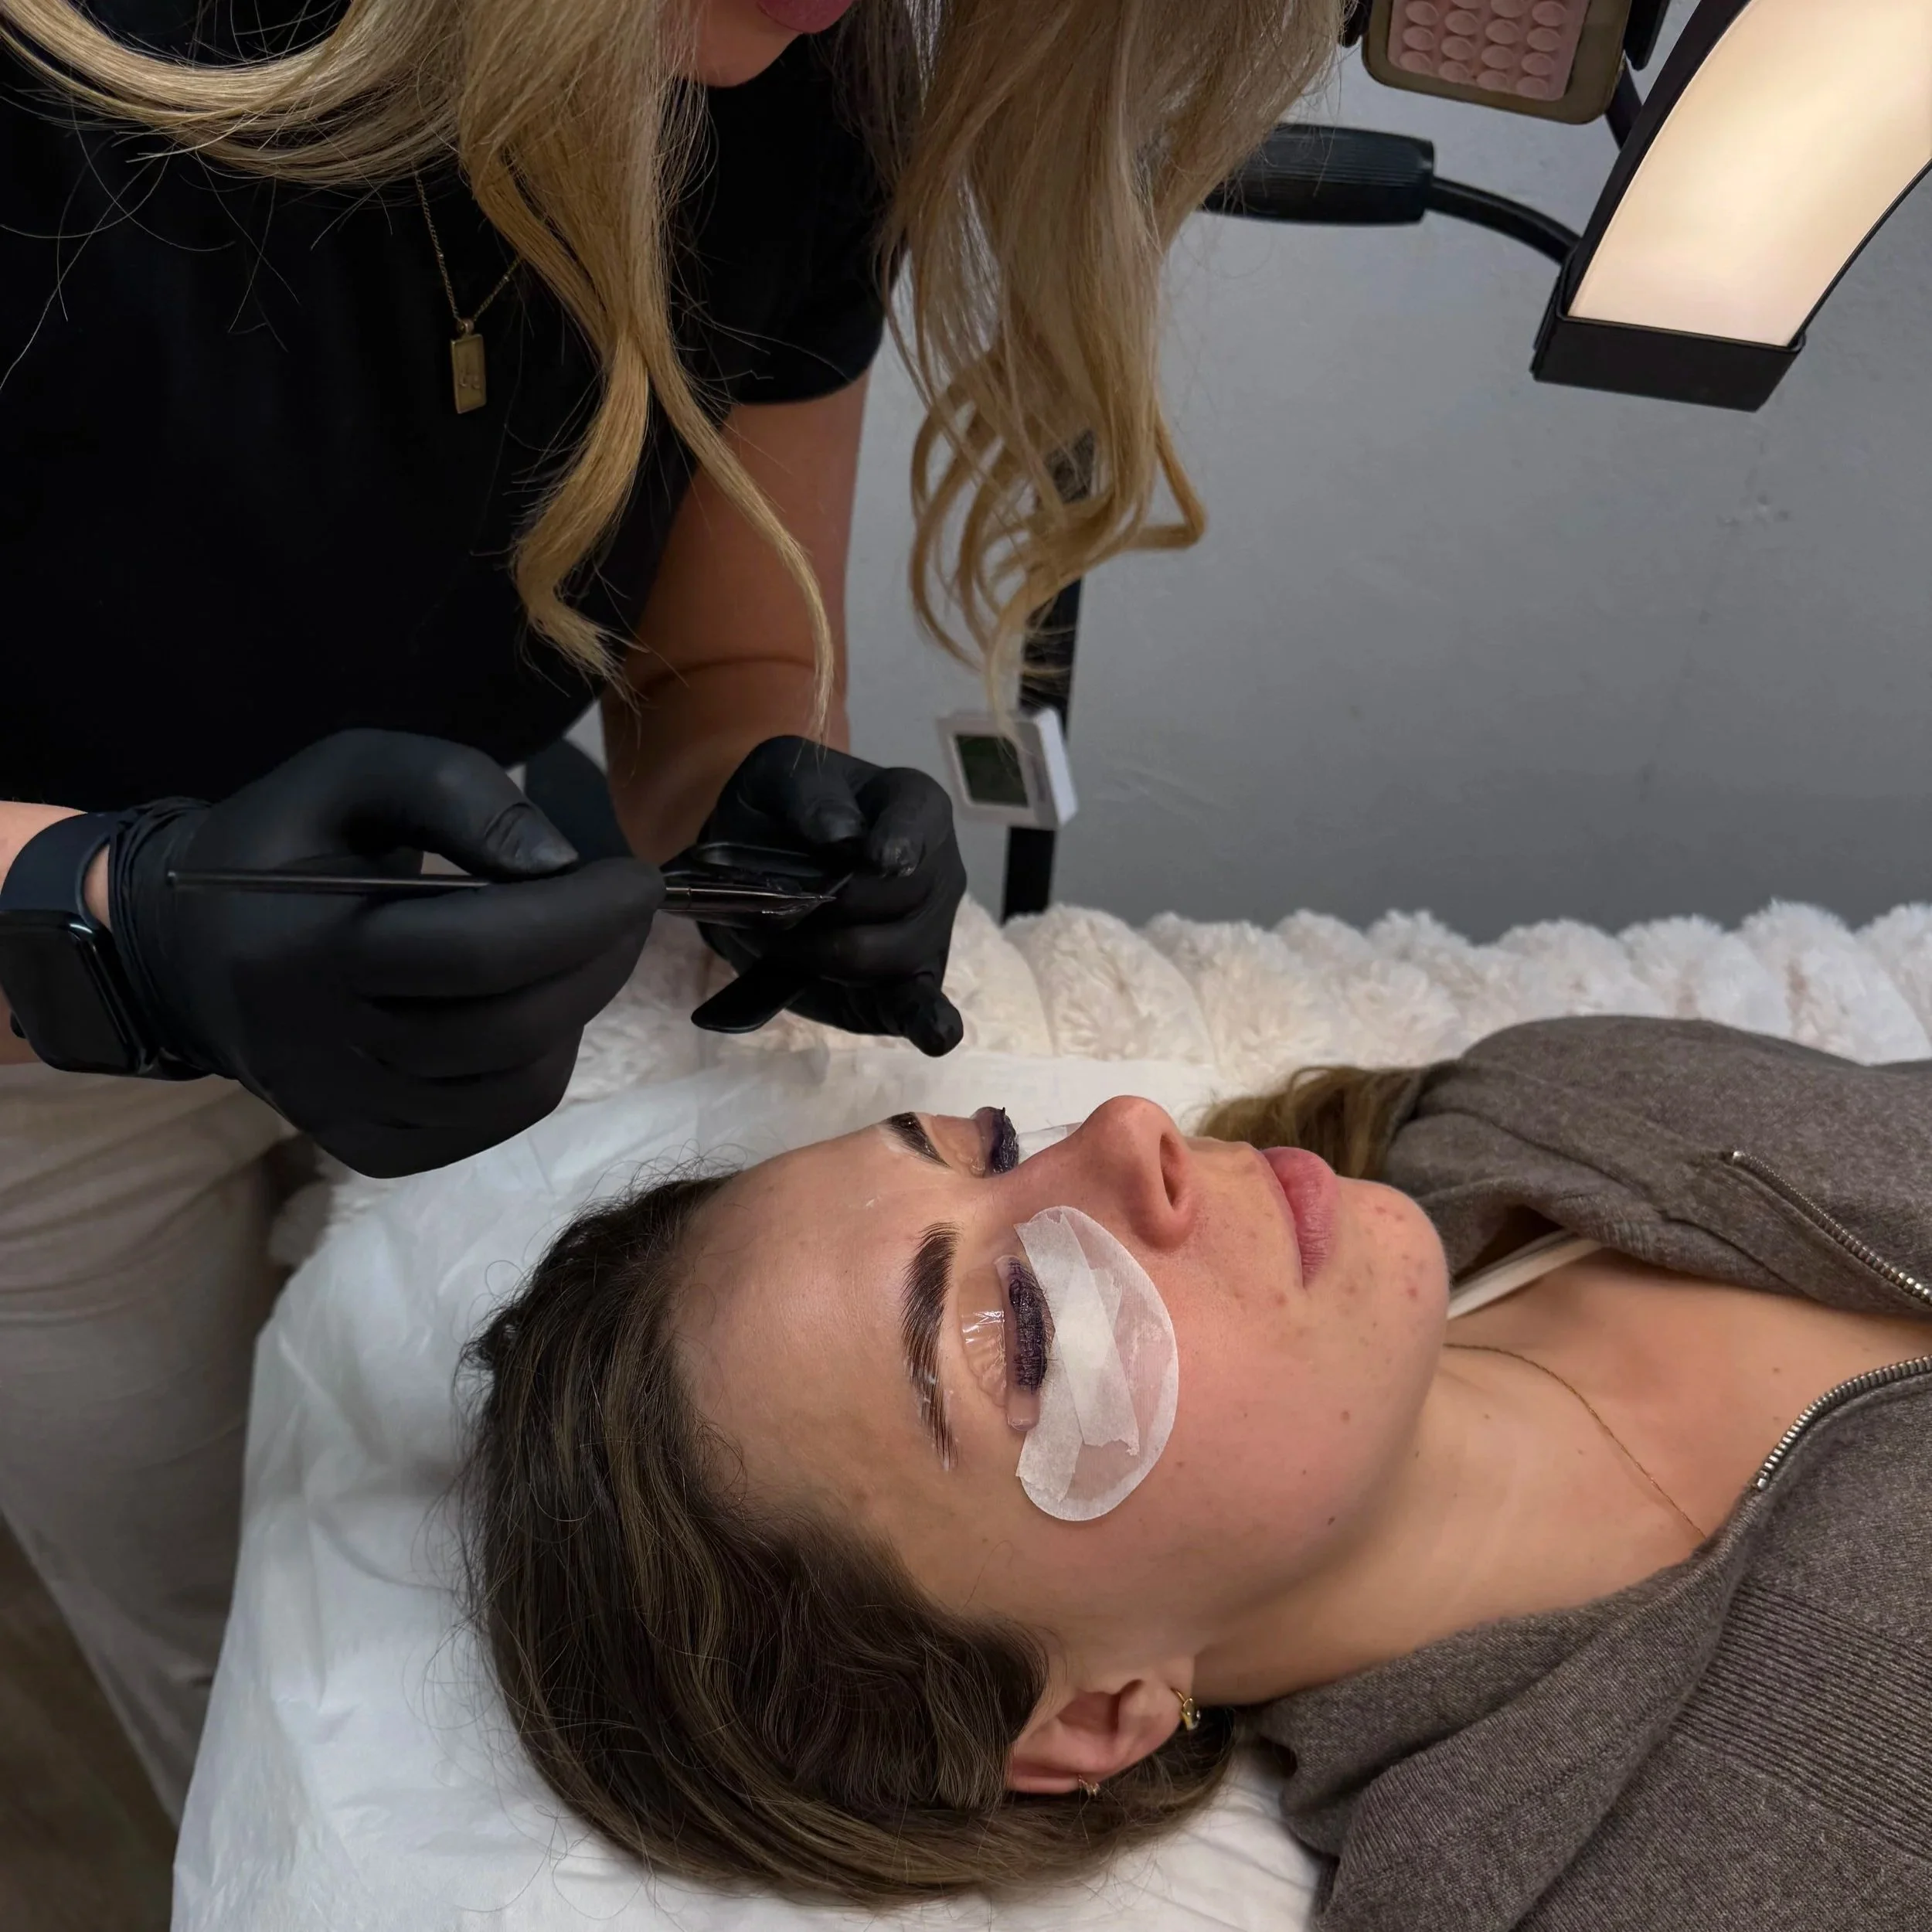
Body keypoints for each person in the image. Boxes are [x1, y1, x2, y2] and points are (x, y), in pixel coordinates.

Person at [0, 0, 1342, 1816]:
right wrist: (98, 918)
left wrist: (753, 784)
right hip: (36, 1062)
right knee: (229, 1632)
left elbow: (717, 658)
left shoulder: (784, 80)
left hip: (500, 913)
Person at [465, 1015, 1932, 1925]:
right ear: (1091, 1709)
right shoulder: (1611, 1874)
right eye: (1029, 1328)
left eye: (993, 1151)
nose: (1128, 1131)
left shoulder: (1549, 1110)